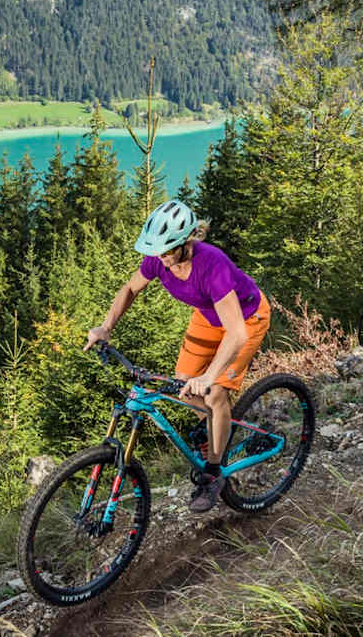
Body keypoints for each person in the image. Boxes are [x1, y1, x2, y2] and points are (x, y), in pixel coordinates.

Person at [83, 200, 272, 513]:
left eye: (169, 250)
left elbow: (236, 333)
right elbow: (130, 289)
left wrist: (211, 377)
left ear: (187, 241)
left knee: (213, 394)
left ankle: (213, 473)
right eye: (158, 251)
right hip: (207, 317)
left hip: (246, 319)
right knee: (181, 385)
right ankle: (218, 431)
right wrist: (105, 327)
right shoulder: (158, 259)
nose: (162, 258)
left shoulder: (213, 265)